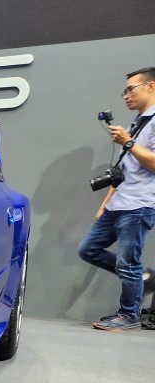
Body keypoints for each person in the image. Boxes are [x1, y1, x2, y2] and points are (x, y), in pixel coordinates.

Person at [79, 67, 155, 331]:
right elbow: (124, 169)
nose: (126, 95)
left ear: (151, 86)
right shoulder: (138, 122)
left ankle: (129, 314)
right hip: (118, 203)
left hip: (139, 204)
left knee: (127, 261)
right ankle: (143, 278)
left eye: (131, 89)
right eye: (124, 91)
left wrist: (128, 142)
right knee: (88, 249)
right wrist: (105, 203)